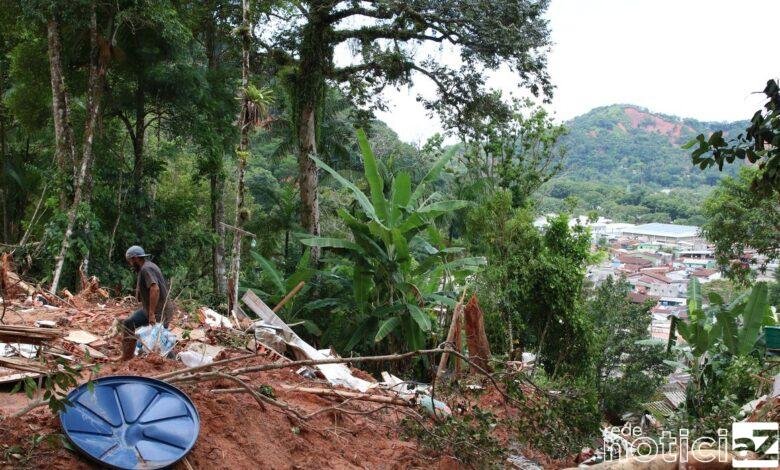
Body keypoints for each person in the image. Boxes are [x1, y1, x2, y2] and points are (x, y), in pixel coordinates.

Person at [116, 245, 174, 360]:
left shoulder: (145, 269)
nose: (130, 265)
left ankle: (172, 359)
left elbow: (155, 288)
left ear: (135, 258)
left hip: (159, 312)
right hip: (154, 310)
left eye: (130, 261)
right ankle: (127, 355)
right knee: (129, 323)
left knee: (159, 338)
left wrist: (151, 313)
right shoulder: (149, 266)